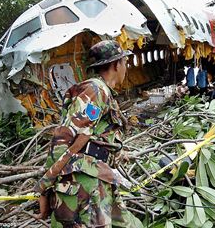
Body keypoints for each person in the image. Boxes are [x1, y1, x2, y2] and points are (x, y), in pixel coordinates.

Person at [35, 40, 142, 228]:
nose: (126, 67)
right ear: (116, 64)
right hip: (85, 184)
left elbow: (95, 137)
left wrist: (117, 154)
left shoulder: (103, 92)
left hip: (98, 177)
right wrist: (44, 187)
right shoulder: (95, 90)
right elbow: (64, 136)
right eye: (125, 62)